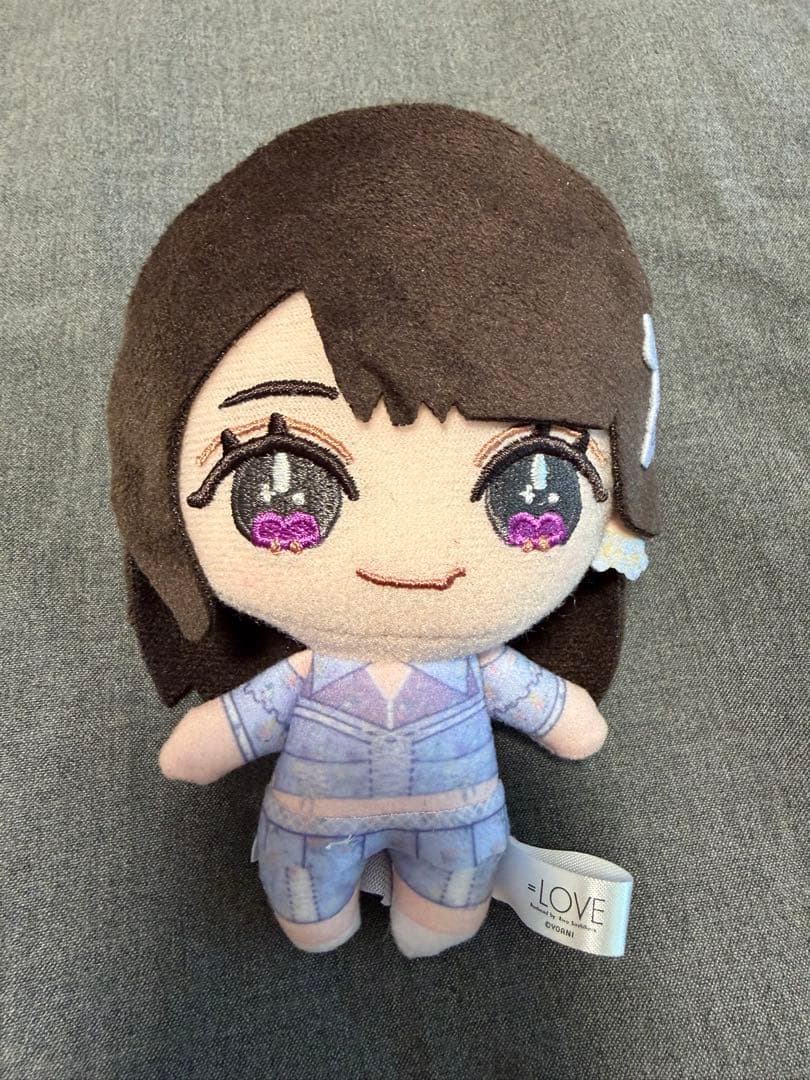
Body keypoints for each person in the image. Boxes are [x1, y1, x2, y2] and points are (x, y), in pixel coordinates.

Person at [107, 103, 659, 957]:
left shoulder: (475, 665)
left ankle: (432, 922)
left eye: (533, 483)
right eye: (282, 481)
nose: (413, 557)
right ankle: (323, 921)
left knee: (449, 889)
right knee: (307, 891)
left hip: (454, 826)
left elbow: (562, 716)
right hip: (323, 827)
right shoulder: (327, 671)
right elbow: (226, 733)